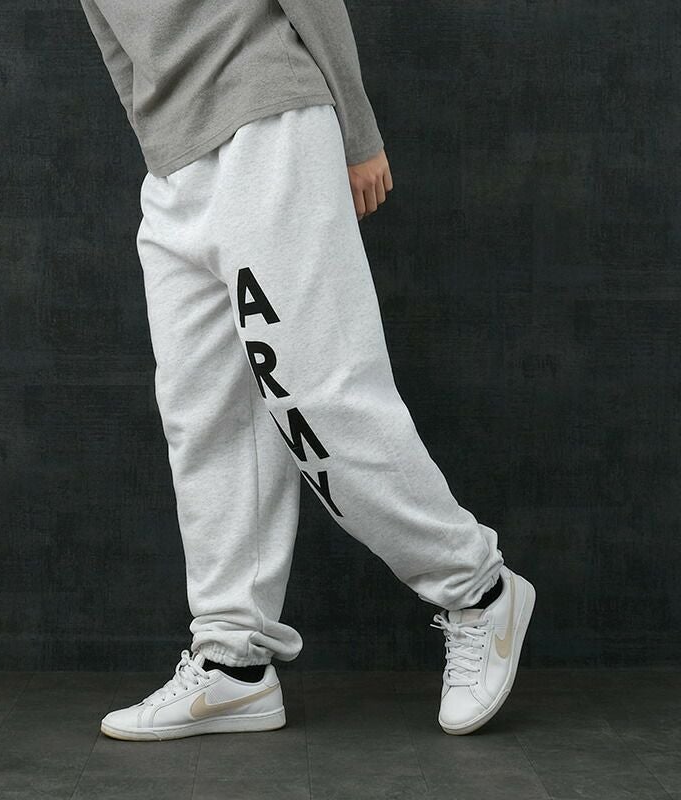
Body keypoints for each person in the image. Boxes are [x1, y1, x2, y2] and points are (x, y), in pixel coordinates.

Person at [78, 0, 536, 740]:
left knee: (319, 401)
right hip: (175, 162)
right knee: (203, 417)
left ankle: (477, 587)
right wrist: (159, 140)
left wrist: (358, 128)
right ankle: (233, 663)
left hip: (266, 115)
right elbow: (113, 33)